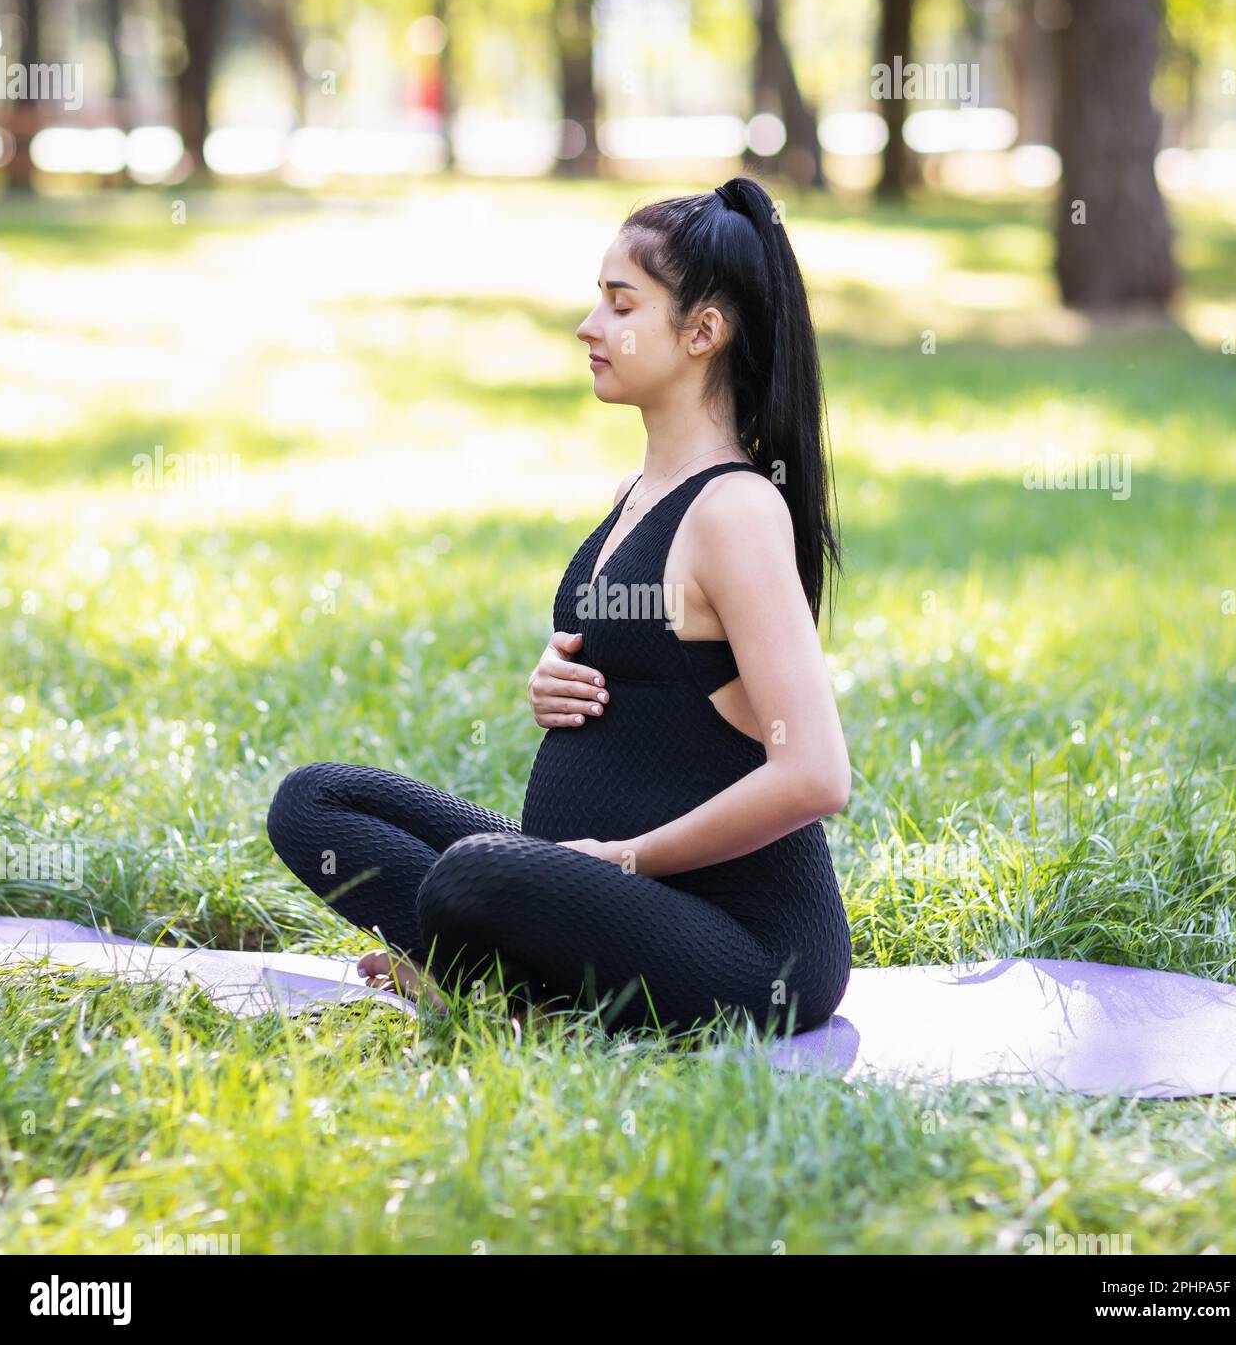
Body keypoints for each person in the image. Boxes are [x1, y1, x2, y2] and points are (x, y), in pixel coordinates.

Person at [266, 175, 853, 1039]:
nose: (590, 326)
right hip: (591, 892)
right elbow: (666, 676)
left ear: (703, 332)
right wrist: (564, 676)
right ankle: (514, 980)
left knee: (475, 877)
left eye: (622, 305)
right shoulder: (643, 489)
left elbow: (815, 776)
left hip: (746, 948)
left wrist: (623, 859)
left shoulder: (735, 509)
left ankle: (494, 983)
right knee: (313, 802)